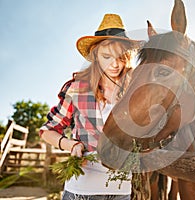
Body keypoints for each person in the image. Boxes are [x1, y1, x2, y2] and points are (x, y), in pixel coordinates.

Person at [40, 13, 139, 200]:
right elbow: (47, 130)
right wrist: (72, 144)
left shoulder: (134, 92)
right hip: (82, 189)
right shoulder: (77, 89)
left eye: (121, 57)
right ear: (95, 56)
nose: (115, 64)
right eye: (107, 56)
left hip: (121, 190)